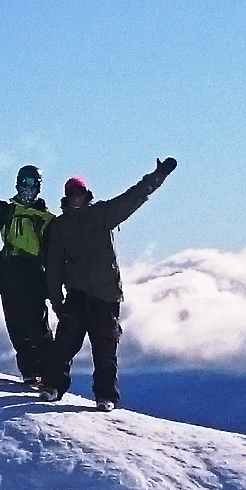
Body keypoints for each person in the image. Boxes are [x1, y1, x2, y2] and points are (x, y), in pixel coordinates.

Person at [49, 158, 178, 412]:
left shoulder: (102, 214)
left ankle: (105, 396)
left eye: (80, 192)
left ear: (87, 194)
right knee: (63, 346)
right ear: (66, 197)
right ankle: (53, 386)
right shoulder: (60, 226)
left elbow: (134, 197)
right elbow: (54, 265)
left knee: (105, 351)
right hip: (76, 294)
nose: (76, 197)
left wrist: (158, 175)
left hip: (106, 296)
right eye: (72, 193)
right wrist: (56, 301)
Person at [0, 149, 60, 397]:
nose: (26, 189)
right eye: (23, 183)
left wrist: (56, 283)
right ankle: (28, 371)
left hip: (34, 275)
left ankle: (49, 375)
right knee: (15, 325)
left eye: (31, 183)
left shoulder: (48, 219)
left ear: (38, 187)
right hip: (11, 273)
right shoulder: (8, 212)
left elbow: (55, 253)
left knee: (38, 326)